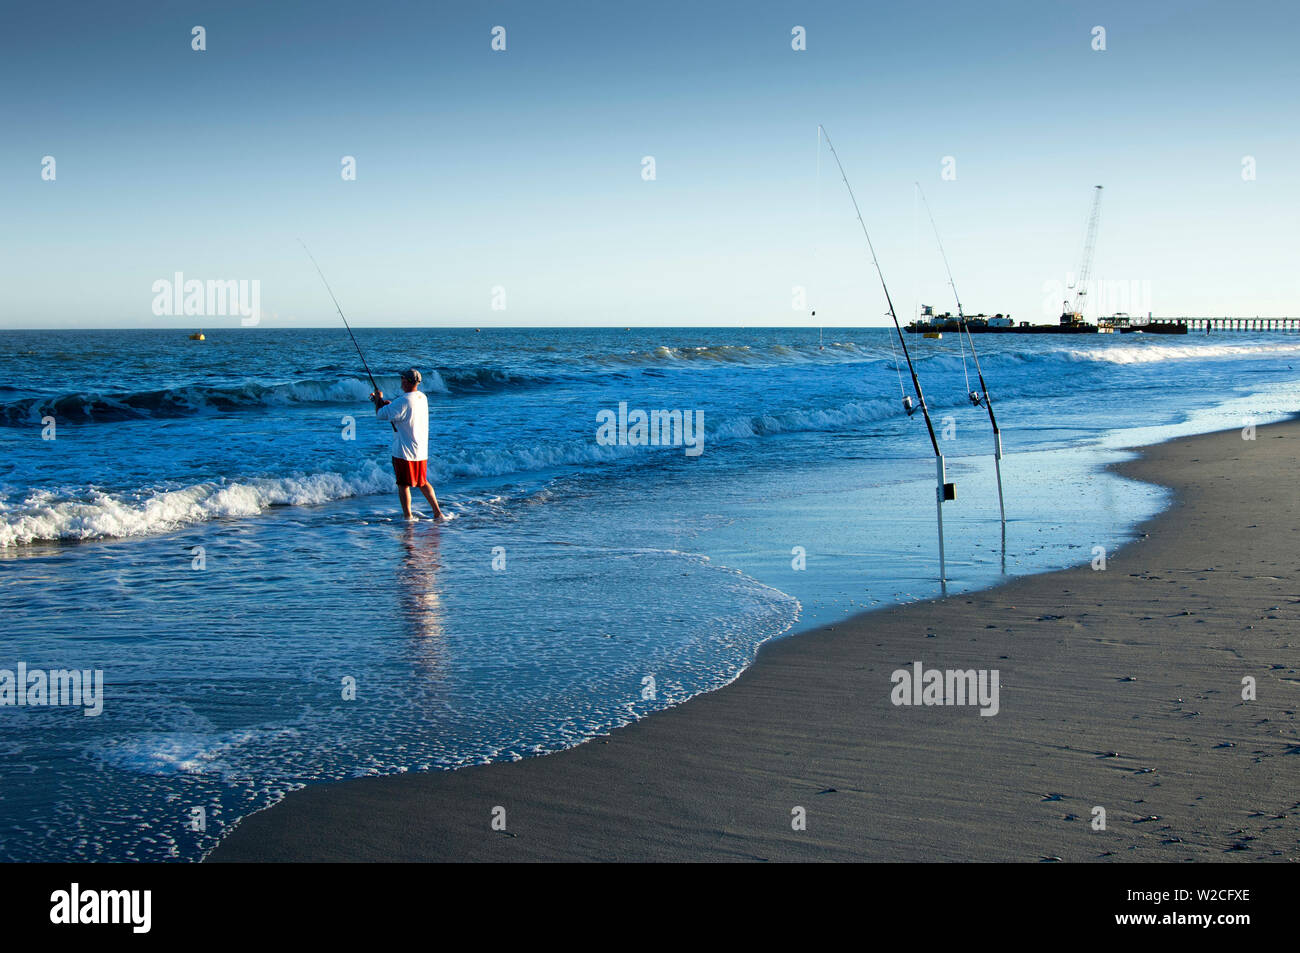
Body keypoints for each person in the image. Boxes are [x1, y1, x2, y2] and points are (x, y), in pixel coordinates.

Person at [370, 368, 445, 520]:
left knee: (403, 484)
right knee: (422, 482)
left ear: (406, 381)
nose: (401, 381)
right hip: (420, 449)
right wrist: (383, 403)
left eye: (403, 378)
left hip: (404, 450)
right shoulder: (421, 397)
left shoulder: (403, 401)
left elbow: (381, 415)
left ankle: (408, 516)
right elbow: (401, 412)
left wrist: (378, 400)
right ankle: (438, 512)